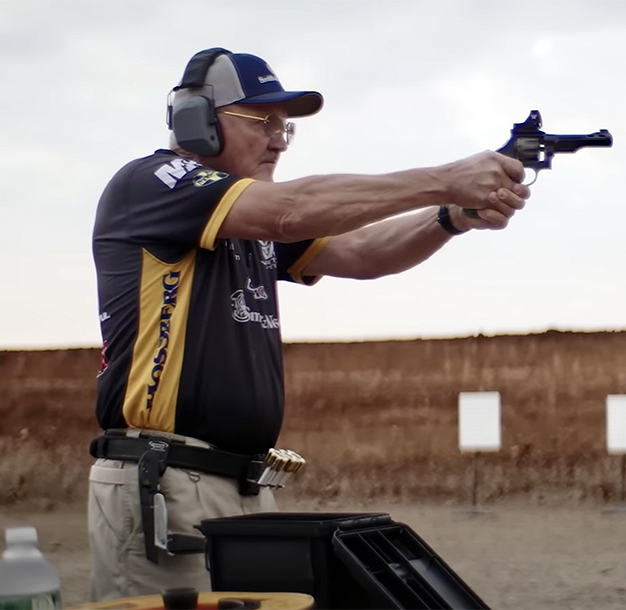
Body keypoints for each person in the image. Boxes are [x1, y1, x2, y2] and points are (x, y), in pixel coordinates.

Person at [87, 47, 530, 601]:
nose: (278, 138)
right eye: (262, 121)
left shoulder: (250, 217)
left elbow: (365, 251)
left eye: (284, 127)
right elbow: (291, 210)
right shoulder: (153, 182)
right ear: (198, 120)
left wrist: (449, 218)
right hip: (169, 480)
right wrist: (444, 180)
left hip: (239, 484)